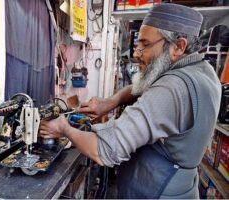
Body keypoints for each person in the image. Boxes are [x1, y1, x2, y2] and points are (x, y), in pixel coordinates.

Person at [39, 3, 222, 199]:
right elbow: (142, 86)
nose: (136, 53)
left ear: (178, 46)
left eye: (145, 45)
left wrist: (64, 128)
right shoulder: (203, 71)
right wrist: (111, 102)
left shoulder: (172, 88)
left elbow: (104, 150)